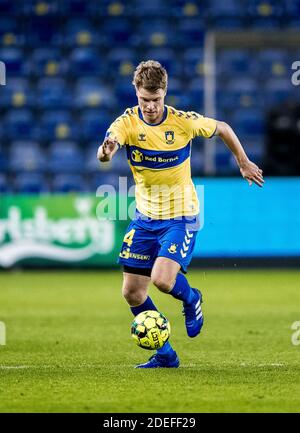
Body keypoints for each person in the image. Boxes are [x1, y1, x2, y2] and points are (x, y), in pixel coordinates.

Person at [97, 60, 264, 368]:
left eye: (156, 100)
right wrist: (106, 152)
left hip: (181, 215)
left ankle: (191, 298)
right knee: (132, 292)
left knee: (162, 280)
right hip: (145, 218)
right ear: (136, 92)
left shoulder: (183, 122)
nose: (149, 106)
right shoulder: (126, 123)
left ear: (165, 93)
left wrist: (243, 161)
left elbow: (223, 128)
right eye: (144, 100)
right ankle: (166, 355)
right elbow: (108, 148)